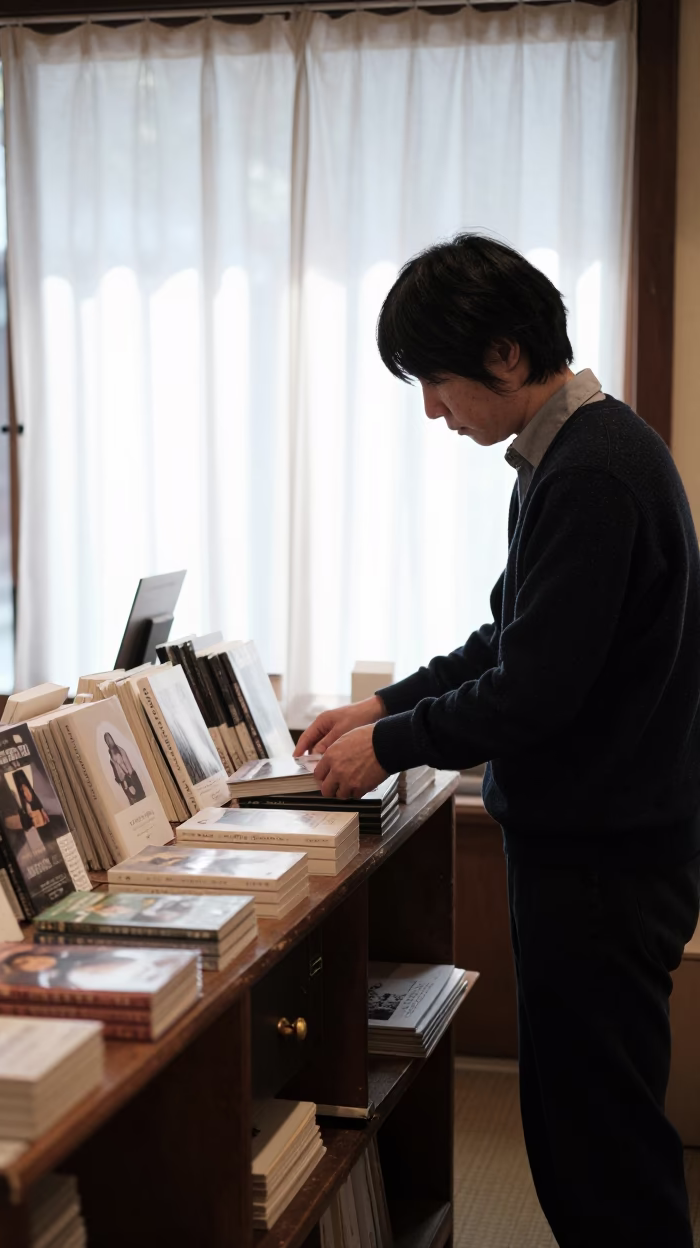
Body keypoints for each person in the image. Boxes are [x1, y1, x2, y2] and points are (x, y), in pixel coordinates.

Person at [295, 234, 700, 1248]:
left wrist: (390, 747)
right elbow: (509, 640)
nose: (433, 409)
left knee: (598, 1142)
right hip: (597, 843)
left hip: (603, 856)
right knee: (581, 1127)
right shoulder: (568, 455)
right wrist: (383, 706)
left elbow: (534, 692)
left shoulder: (593, 472)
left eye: (435, 380)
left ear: (507, 354)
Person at [104, 731, 146, 804]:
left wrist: (127, 775)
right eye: (106, 740)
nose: (108, 741)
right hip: (124, 778)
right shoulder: (110, 753)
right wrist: (118, 779)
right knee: (132, 799)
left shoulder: (118, 750)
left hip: (128, 776)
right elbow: (115, 768)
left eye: (109, 739)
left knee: (138, 796)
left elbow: (125, 763)